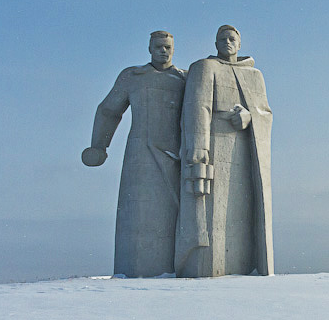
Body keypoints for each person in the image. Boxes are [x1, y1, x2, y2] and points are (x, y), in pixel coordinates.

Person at [82, 30, 187, 277]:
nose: (163, 51)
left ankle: (175, 270)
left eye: (168, 47)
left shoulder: (185, 79)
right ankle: (134, 272)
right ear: (149, 49)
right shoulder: (133, 76)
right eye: (158, 46)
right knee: (138, 214)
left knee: (175, 216)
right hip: (140, 155)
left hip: (176, 156)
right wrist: (99, 146)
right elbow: (109, 110)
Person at [175, 25, 273, 277]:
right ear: (215, 43)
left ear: (239, 44)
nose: (227, 42)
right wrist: (198, 150)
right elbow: (197, 109)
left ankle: (242, 265)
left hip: (244, 150)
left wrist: (249, 117)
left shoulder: (254, 76)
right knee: (210, 213)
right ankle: (209, 268)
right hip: (213, 145)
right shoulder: (205, 68)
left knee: (242, 211)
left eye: (232, 39)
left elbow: (265, 112)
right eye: (222, 39)